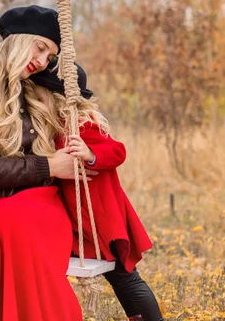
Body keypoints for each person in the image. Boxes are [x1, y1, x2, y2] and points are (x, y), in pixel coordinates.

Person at [0, 5, 92, 321]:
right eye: (40, 47)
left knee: (17, 224)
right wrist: (49, 166)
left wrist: (84, 153)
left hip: (38, 202)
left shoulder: (35, 83)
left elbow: (81, 97)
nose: (42, 61)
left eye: (50, 57)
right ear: (17, 39)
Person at [29, 63, 164, 321]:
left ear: (55, 96)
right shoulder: (51, 127)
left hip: (98, 219)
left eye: (39, 94)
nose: (34, 99)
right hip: (78, 220)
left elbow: (117, 151)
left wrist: (91, 155)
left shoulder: (81, 125)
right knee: (118, 276)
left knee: (124, 276)